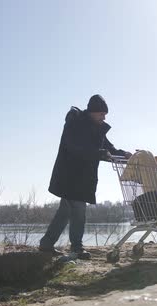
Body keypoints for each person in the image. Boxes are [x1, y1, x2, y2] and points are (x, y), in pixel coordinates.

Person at [39, 94, 132, 259]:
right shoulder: (75, 124)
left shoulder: (97, 128)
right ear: (92, 112)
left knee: (65, 212)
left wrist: (123, 155)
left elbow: (107, 148)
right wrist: (99, 154)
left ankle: (47, 244)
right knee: (79, 211)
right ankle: (76, 247)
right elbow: (75, 147)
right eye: (101, 114)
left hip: (81, 178)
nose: (104, 117)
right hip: (70, 175)